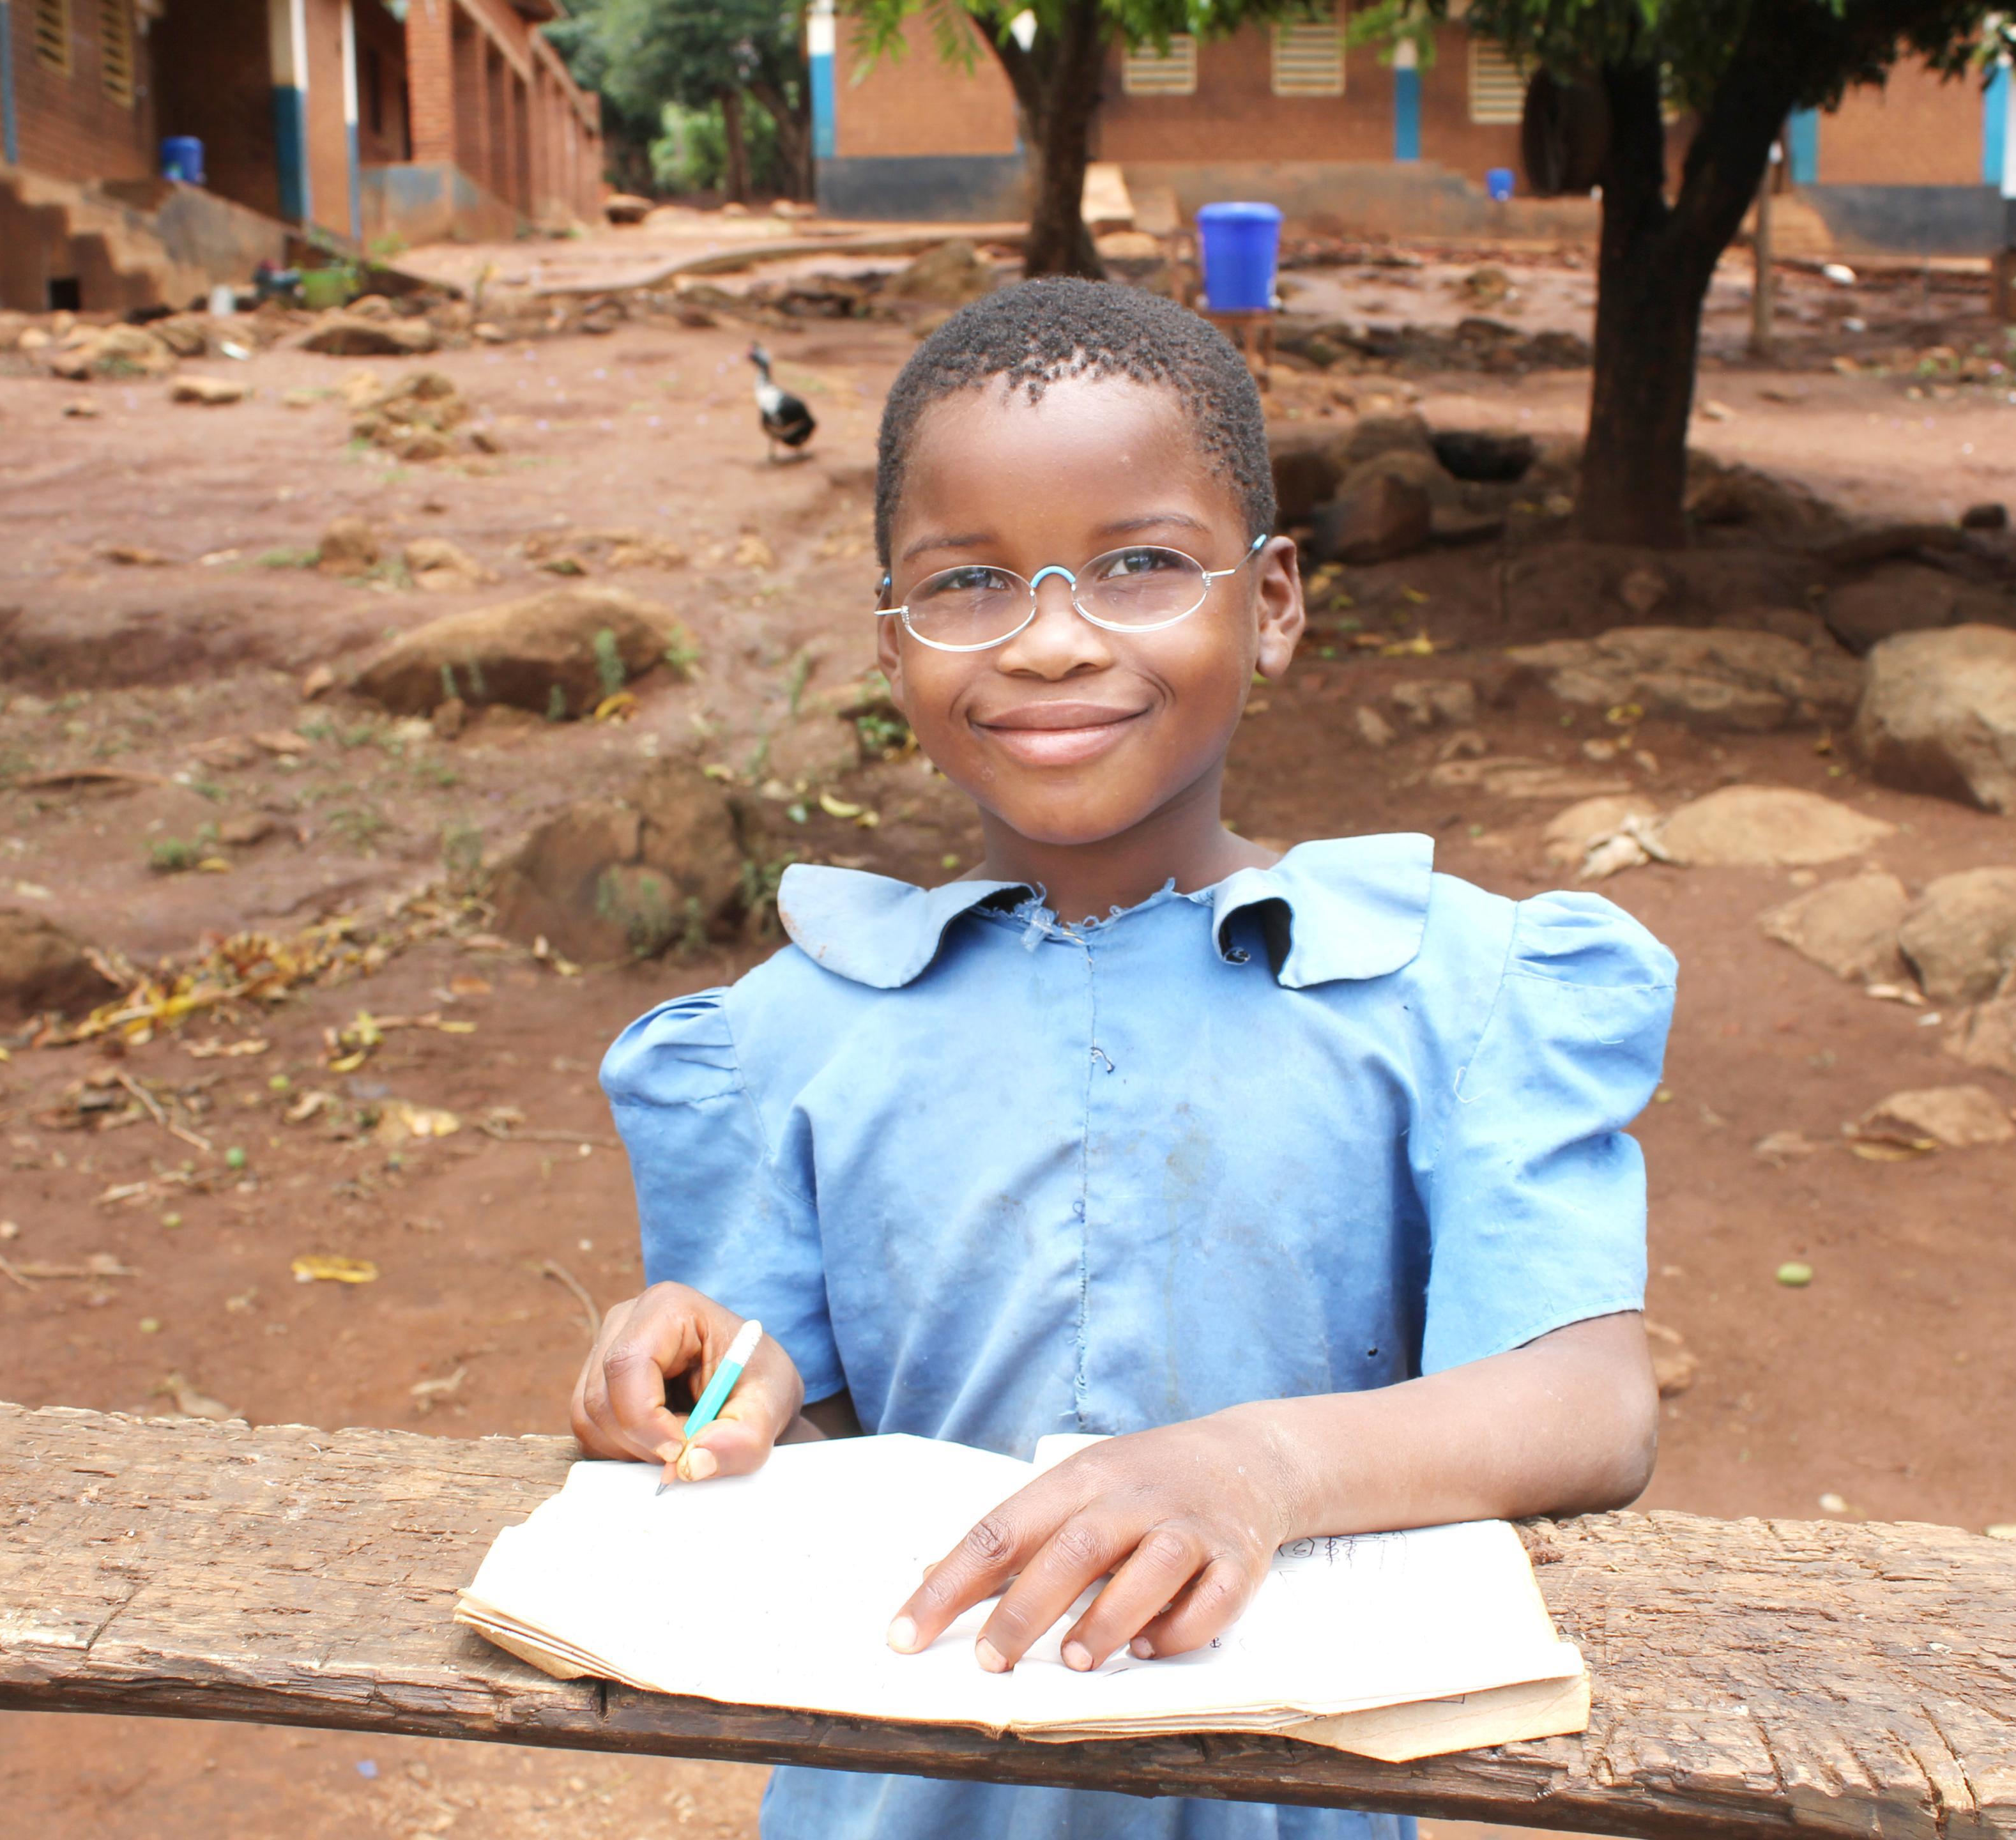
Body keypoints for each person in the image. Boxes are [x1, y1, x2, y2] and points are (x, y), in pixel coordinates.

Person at [569, 279, 1677, 1840]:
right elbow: (791, 1445)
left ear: (1275, 601)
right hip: (906, 1796)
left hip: (1286, 1794)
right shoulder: (783, 1038)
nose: (1050, 644)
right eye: (966, 586)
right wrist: (705, 1391)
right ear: (889, 640)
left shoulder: (1458, 993)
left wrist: (1261, 1469)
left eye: (1141, 565)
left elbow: (1592, 1401)